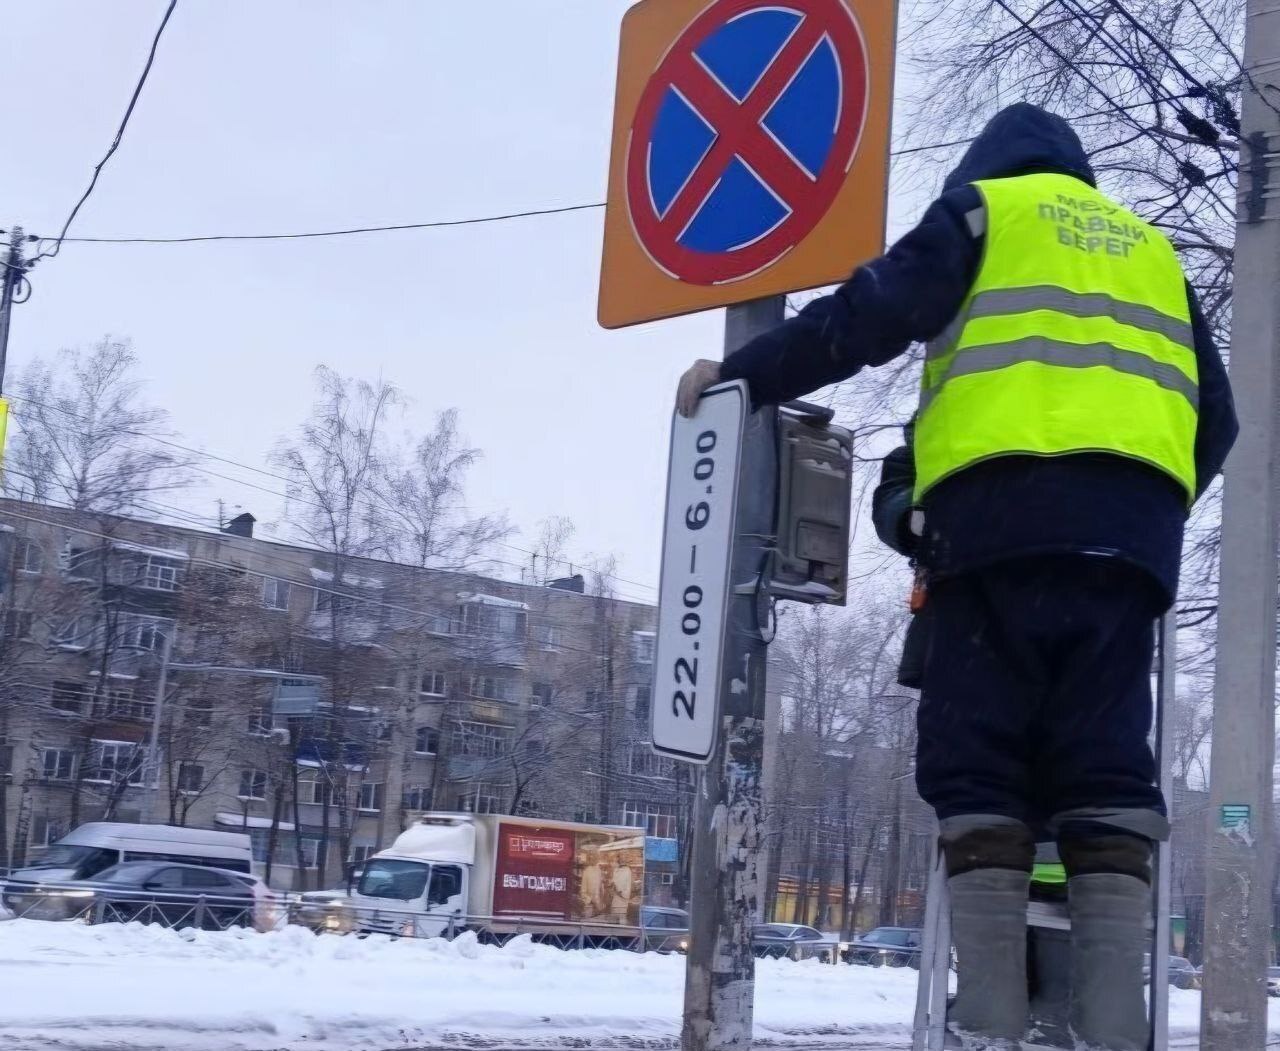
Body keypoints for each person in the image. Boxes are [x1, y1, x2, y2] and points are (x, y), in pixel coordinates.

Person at [676, 103, 1237, 1051]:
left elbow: (869, 316)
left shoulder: (984, 214)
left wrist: (746, 375)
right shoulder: (1152, 256)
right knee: (1104, 768)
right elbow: (1214, 420)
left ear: (986, 167)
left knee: (978, 764)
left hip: (998, 533)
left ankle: (985, 1024)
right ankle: (1112, 1028)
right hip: (1130, 550)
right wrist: (1139, 506)